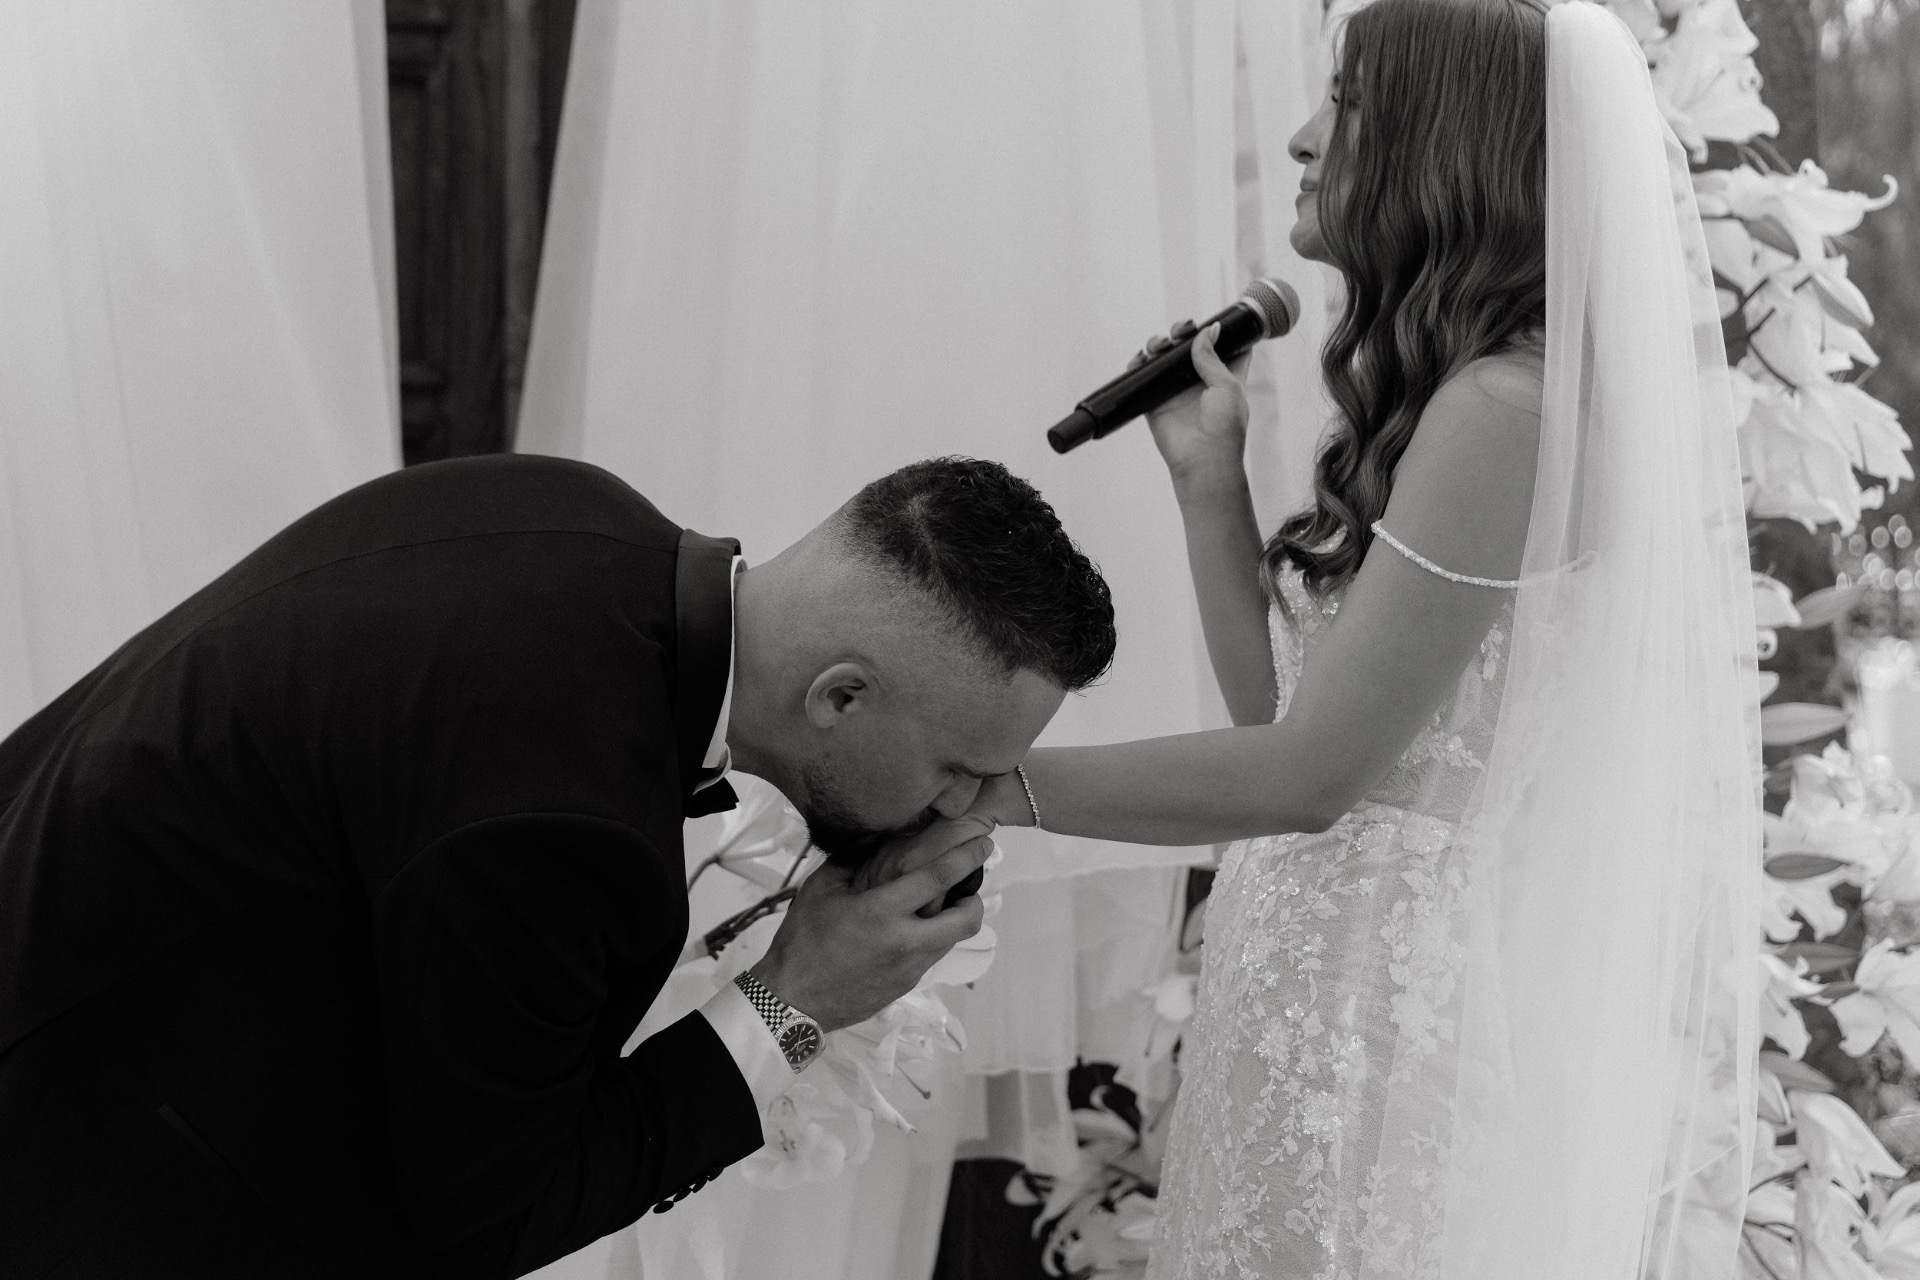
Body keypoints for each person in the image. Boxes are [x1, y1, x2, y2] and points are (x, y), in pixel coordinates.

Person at [964, 1, 1762, 1275]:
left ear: (1442, 146)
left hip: (1369, 1033)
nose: (1302, 137)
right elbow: (1279, 732)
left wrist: (985, 784)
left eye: (1342, 103)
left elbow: (1306, 778)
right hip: (1302, 1002)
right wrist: (1208, 480)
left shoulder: (1504, 409)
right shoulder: (1461, 397)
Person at [0, 452, 1116, 1279]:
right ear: (840, 696)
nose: (965, 806)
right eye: (960, 768)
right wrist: (797, 996)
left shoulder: (573, 505)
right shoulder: (569, 811)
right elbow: (489, 1215)